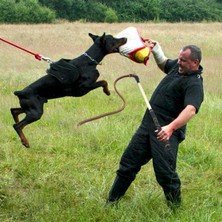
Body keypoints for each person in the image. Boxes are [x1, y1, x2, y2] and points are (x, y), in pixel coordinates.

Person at [106, 41, 204, 209]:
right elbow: (164, 63)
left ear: (195, 63)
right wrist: (157, 48)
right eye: (179, 58)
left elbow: (191, 109)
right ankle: (111, 203)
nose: (178, 62)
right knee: (128, 164)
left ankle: (176, 211)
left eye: (183, 60)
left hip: (166, 133)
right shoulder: (178, 67)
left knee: (165, 174)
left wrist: (171, 127)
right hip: (147, 126)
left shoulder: (194, 83)